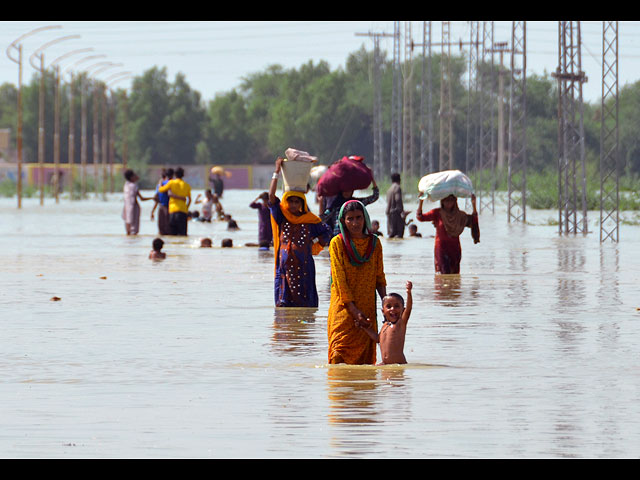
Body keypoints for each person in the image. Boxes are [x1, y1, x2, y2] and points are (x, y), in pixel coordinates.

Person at [327, 200, 387, 365]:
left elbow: (379, 277)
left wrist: (386, 303)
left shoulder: (374, 243)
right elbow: (339, 280)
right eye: (350, 219)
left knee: (365, 364)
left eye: (358, 218)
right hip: (344, 310)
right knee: (338, 355)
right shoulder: (337, 244)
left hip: (366, 309)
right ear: (343, 222)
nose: (355, 223)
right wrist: (353, 310)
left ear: (365, 218)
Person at [269, 156, 332, 308]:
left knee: (305, 307)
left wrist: (313, 242)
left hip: (304, 269)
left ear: (302, 203)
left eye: (297, 201)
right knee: (284, 310)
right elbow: (271, 197)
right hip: (284, 269)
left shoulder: (310, 220)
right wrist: (276, 172)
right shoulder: (282, 217)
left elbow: (327, 233)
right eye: (290, 201)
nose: (293, 204)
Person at [415, 194, 479, 274]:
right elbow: (420, 217)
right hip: (441, 249)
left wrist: (473, 204)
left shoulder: (460, 216)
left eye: (451, 200)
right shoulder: (437, 213)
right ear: (442, 202)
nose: (448, 203)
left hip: (455, 249)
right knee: (442, 275)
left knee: (454, 277)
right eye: (446, 200)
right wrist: (421, 202)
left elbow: (473, 221)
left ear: (455, 202)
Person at [358, 281, 413, 365]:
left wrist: (409, 292)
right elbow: (377, 339)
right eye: (389, 306)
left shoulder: (400, 324)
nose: (392, 309)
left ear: (403, 310)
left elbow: (408, 309)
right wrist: (364, 327)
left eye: (397, 306)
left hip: (398, 364)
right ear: (383, 311)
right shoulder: (385, 326)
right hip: (385, 364)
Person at [157, 167, 192, 236]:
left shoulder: (171, 183)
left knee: (172, 234)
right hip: (183, 211)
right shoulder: (187, 185)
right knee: (183, 234)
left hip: (173, 210)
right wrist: (186, 208)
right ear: (183, 175)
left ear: (175, 175)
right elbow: (189, 200)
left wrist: (160, 183)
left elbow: (161, 190)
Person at [122, 169, 152, 235]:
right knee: (134, 229)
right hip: (133, 207)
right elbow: (141, 198)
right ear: (131, 177)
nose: (136, 176)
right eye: (134, 175)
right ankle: (133, 241)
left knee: (128, 225)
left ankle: (129, 240)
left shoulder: (126, 185)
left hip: (126, 207)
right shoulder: (134, 186)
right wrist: (152, 198)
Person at [386, 172, 410, 238]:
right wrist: (402, 212)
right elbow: (398, 199)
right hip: (396, 213)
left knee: (391, 234)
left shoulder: (389, 189)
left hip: (389, 214)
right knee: (399, 235)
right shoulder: (397, 188)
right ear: (399, 179)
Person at [150, 168, 174, 235]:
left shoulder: (159, 185)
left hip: (161, 207)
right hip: (169, 207)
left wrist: (152, 211)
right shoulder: (172, 183)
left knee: (161, 229)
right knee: (168, 228)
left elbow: (156, 198)